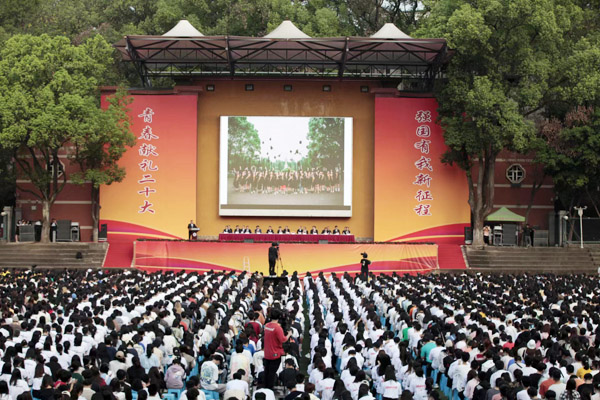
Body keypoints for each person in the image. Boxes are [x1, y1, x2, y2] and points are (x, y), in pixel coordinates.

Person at [263, 309, 292, 389]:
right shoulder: (277, 328)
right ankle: (269, 389)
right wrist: (289, 334)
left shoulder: (267, 325)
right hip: (275, 353)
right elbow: (283, 339)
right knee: (272, 373)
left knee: (267, 372)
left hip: (267, 353)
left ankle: (266, 387)